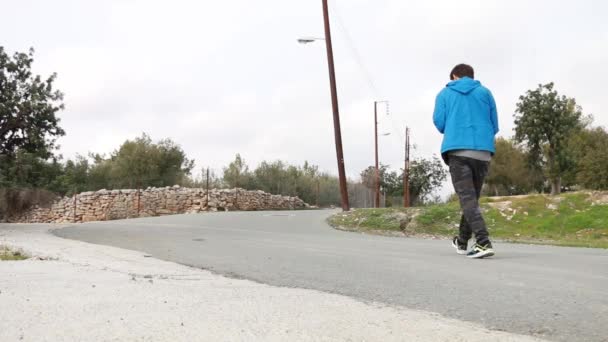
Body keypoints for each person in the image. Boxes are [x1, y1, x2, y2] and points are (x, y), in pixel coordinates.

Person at [433, 63, 498, 259]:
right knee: (471, 200)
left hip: (458, 151)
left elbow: (440, 123)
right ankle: (462, 241)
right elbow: (494, 125)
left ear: (454, 76)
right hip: (483, 152)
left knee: (467, 200)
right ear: (471, 76)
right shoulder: (486, 93)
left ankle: (483, 242)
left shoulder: (444, 94)